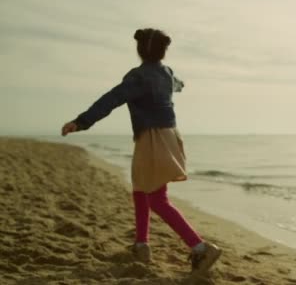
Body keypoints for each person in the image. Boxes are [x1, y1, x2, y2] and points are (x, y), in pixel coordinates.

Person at [61, 28, 221, 273]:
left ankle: (200, 248)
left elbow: (111, 99)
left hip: (152, 138)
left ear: (139, 50)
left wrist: (81, 121)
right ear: (162, 52)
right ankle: (141, 245)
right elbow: (178, 84)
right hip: (168, 135)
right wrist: (177, 85)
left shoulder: (138, 77)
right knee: (140, 188)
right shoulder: (167, 73)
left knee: (157, 199)